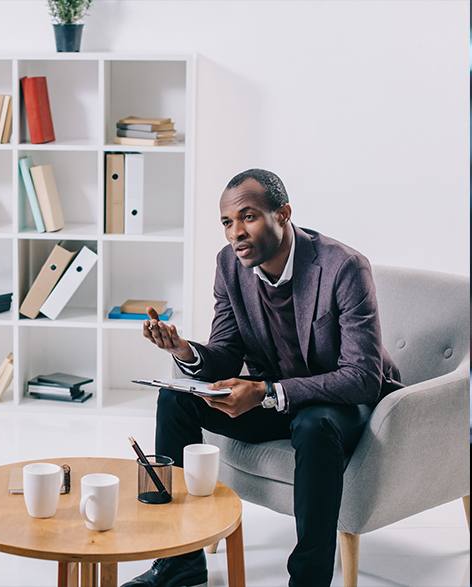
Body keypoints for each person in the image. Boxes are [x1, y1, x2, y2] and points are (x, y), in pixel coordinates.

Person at [124, 169, 401, 587]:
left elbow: (361, 377)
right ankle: (180, 561)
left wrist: (267, 392)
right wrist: (183, 350)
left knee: (314, 424)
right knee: (175, 399)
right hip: (273, 399)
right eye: (227, 222)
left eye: (248, 217)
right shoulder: (229, 265)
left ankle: (308, 581)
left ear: (283, 214)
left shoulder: (343, 267)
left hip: (343, 403)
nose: (235, 232)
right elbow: (226, 351)